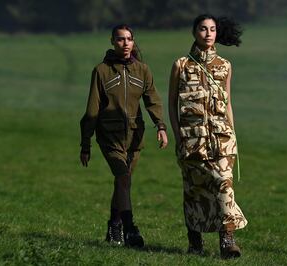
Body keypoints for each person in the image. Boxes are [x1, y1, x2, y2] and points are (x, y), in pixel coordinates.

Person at [80, 24, 168, 248]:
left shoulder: (143, 70)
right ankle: (130, 229)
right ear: (112, 41)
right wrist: (86, 143)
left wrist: (160, 126)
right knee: (123, 178)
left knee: (123, 183)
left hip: (135, 137)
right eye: (120, 39)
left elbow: (152, 100)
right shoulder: (101, 71)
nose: (126, 43)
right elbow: (92, 110)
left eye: (129, 39)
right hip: (109, 136)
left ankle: (114, 226)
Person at [168, 14, 247, 259]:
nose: (208, 33)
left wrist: (233, 135)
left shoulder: (225, 65)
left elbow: (228, 102)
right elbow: (172, 104)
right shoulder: (181, 65)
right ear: (194, 32)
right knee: (194, 191)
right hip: (191, 141)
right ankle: (195, 242)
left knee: (224, 183)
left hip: (222, 140)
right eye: (203, 29)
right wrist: (178, 137)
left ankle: (227, 240)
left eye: (212, 29)